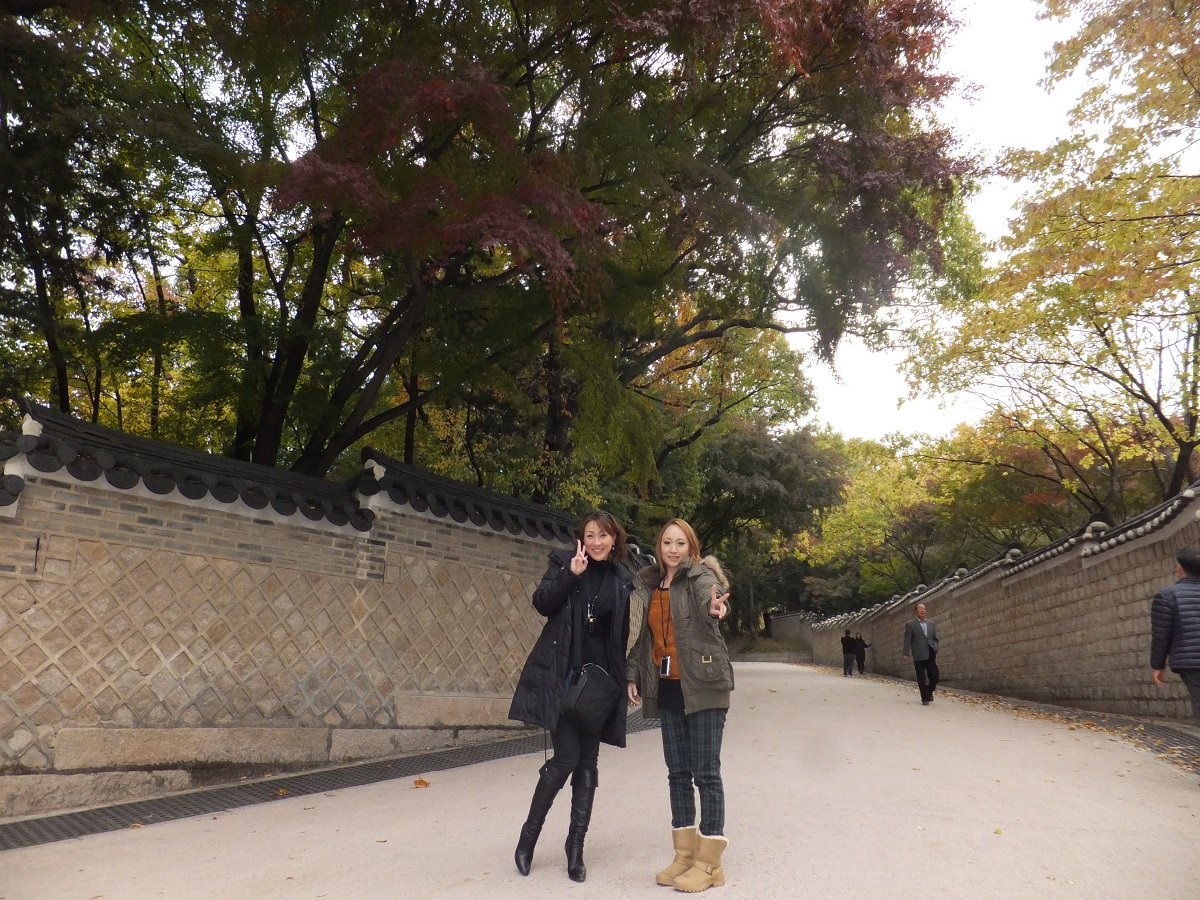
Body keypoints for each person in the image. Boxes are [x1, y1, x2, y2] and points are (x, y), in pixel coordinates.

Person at [508, 511, 635, 882]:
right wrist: (571, 575)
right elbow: (542, 603)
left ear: (614, 539)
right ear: (582, 539)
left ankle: (575, 847)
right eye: (590, 535)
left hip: (597, 687)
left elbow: (619, 639)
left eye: (604, 535)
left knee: (588, 765)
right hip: (563, 678)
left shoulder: (621, 581)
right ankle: (528, 837)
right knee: (566, 758)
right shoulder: (564, 563)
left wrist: (622, 682)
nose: (596, 542)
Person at [627, 518, 733, 893]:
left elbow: (710, 599)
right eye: (667, 543)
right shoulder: (650, 584)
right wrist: (632, 675)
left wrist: (715, 607)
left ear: (691, 547)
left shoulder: (700, 576)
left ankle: (710, 863)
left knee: (706, 773)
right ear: (659, 546)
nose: (673, 550)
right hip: (668, 687)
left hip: (704, 684)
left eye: (680, 543)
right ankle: (685, 855)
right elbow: (643, 638)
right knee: (677, 774)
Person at [1150, 547, 1200, 720]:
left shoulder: (1167, 596)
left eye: (1177, 564)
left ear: (1181, 568)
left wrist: (1157, 666)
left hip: (1192, 662)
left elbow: (1161, 634)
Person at [902, 602, 939, 705]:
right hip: (918, 654)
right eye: (920, 609)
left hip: (930, 652)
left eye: (924, 609)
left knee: (935, 675)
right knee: (921, 676)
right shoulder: (911, 624)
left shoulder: (931, 624)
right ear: (916, 611)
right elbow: (907, 640)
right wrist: (905, 653)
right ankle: (925, 698)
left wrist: (935, 646)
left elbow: (935, 638)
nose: (922, 610)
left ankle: (929, 690)